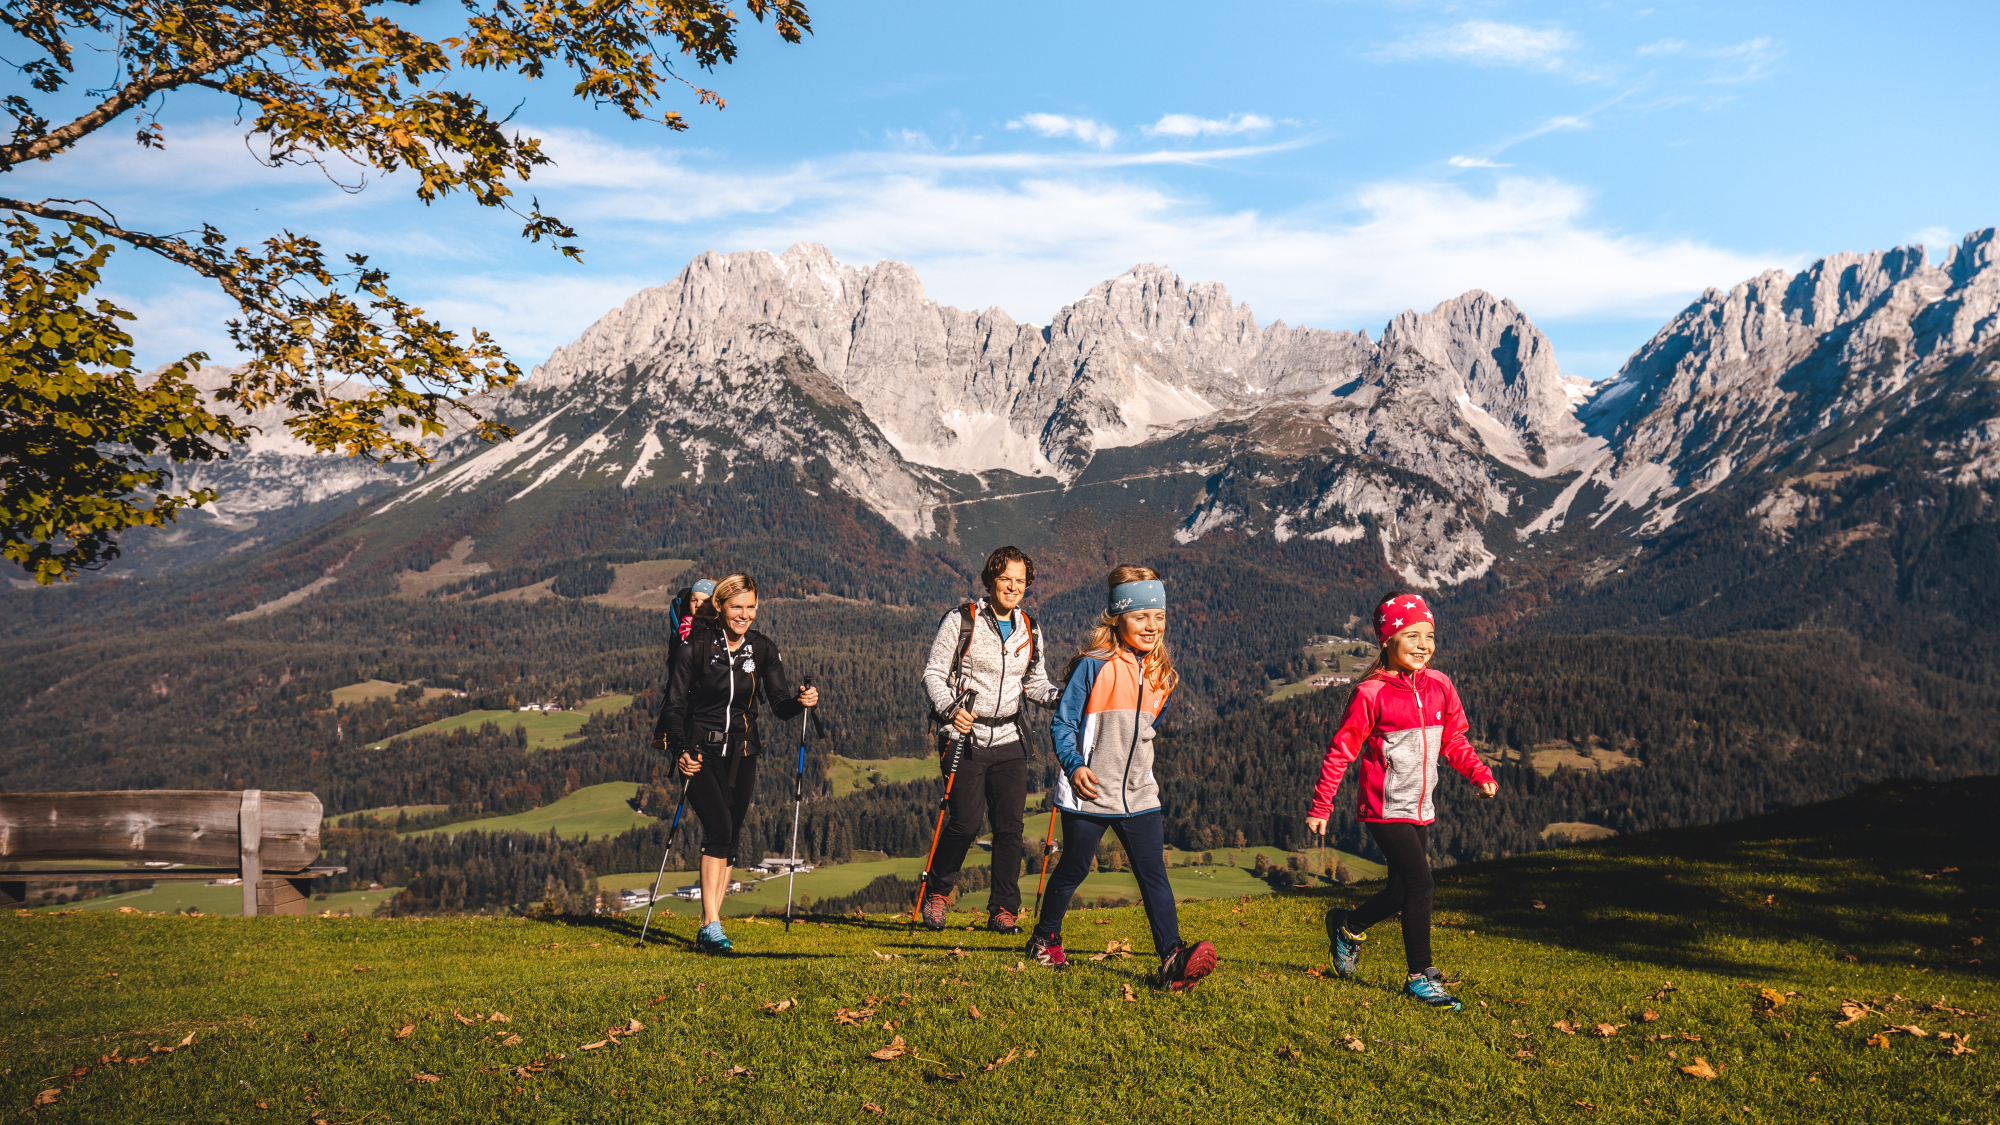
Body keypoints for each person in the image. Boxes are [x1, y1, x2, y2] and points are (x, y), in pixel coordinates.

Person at [1026, 565, 1218, 993]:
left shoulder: (1162, 676)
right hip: (1090, 789)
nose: (1152, 626)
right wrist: (1075, 765)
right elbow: (1063, 723)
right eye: (1141, 617)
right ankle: (1044, 938)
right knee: (1074, 867)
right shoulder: (1093, 667)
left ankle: (1171, 958)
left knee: (1154, 876)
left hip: (1140, 794)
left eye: (1160, 617)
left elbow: (1149, 727)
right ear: (1117, 618)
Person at [1304, 590, 1498, 1011]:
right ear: (1387, 641)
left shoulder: (1441, 686)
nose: (1423, 645)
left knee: (1398, 892)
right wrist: (1322, 806)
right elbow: (1341, 752)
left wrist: (1478, 772)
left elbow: (1454, 740)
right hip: (1384, 807)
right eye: (1411, 636)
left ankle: (1349, 926)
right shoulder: (1371, 694)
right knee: (1421, 883)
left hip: (1420, 807)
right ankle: (1420, 977)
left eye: (1428, 635)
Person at [654, 573, 819, 953]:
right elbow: (674, 706)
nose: (744, 615)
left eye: (750, 608)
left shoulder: (762, 648)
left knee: (730, 839)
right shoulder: (693, 646)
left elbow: (778, 705)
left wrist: (801, 701)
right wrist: (680, 749)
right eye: (736, 607)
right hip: (699, 752)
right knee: (719, 830)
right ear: (721, 607)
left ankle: (711, 925)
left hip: (744, 753)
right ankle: (711, 924)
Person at [918, 546, 1059, 934]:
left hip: (1011, 736)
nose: (1013, 587)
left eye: (1020, 580)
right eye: (1005, 579)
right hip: (965, 735)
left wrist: (1062, 699)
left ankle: (1003, 909)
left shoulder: (1030, 628)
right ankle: (938, 893)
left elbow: (1034, 682)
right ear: (991, 580)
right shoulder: (961, 620)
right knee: (964, 823)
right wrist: (950, 710)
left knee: (1010, 827)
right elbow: (933, 674)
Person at [664, 578, 716, 667]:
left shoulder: (720, 622)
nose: (698, 605)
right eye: (694, 600)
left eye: (705, 601)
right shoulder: (686, 622)